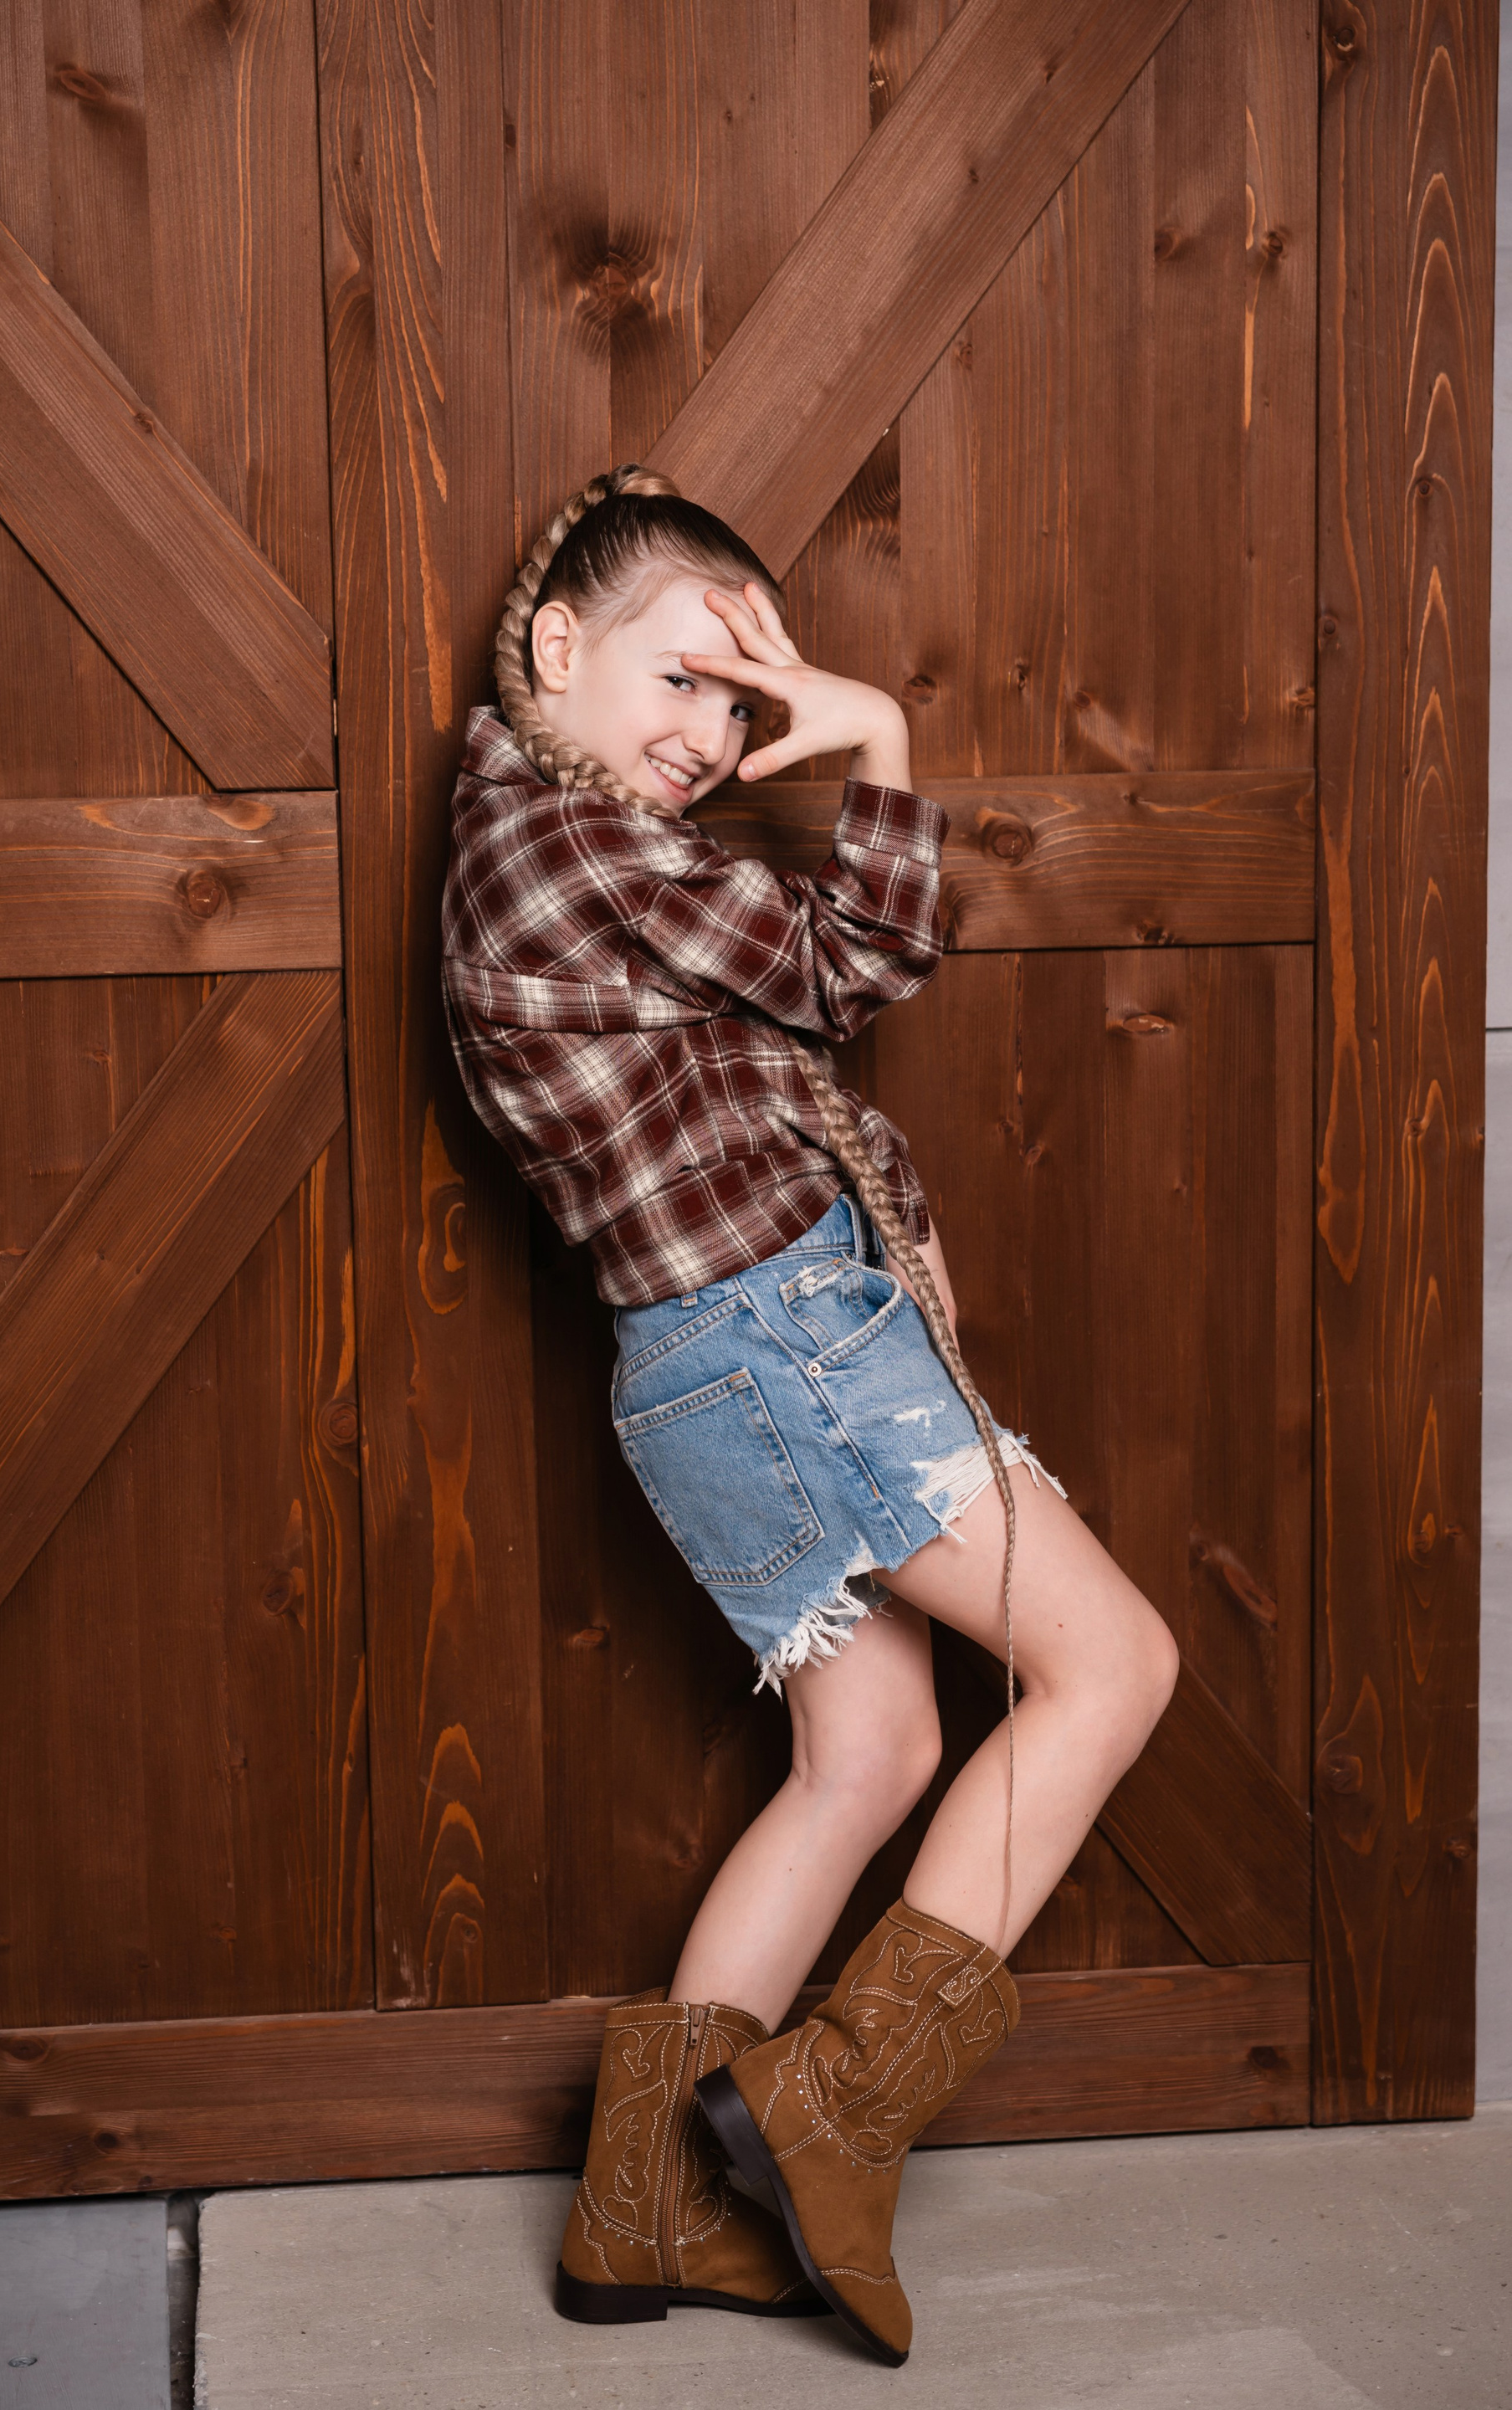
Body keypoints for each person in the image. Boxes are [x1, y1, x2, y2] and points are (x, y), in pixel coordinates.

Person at [442, 464, 1180, 2366]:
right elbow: (856, 965)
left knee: (866, 1761)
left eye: (738, 699)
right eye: (683, 678)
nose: (710, 736)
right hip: (780, 1341)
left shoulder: (534, 835)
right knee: (1114, 1667)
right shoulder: (574, 847)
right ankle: (834, 2110)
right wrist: (874, 736)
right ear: (556, 649)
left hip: (708, 1360)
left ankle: (640, 2209)